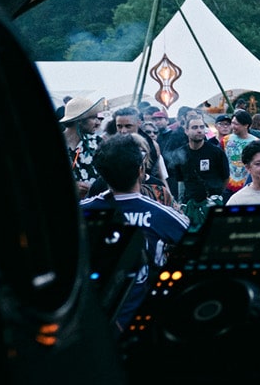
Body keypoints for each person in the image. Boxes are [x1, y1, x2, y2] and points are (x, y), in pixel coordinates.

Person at [81, 134, 190, 330]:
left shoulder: (82, 211)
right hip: (144, 324)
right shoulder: (160, 214)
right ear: (141, 170)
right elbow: (194, 244)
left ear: (103, 175)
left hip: (94, 324)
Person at [62, 95, 107, 195]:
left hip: (94, 205)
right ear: (79, 120)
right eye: (93, 118)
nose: (98, 123)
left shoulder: (98, 143)